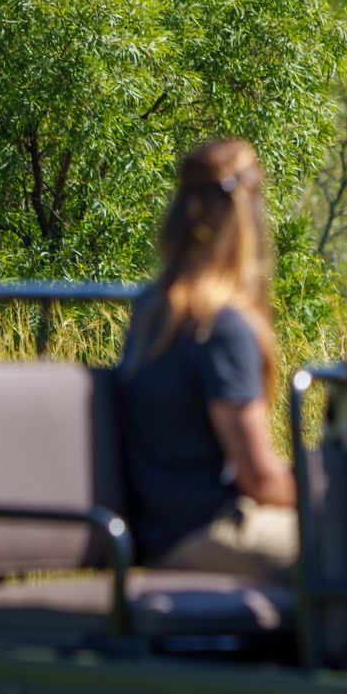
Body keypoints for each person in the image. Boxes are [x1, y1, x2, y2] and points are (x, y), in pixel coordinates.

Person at [116, 139, 298, 579]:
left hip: (162, 527)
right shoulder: (222, 326)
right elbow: (258, 479)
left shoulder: (153, 309)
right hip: (204, 530)